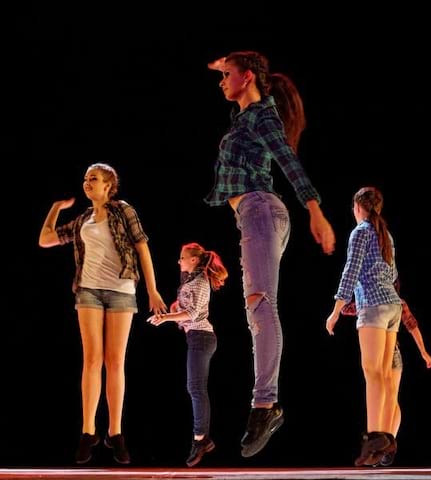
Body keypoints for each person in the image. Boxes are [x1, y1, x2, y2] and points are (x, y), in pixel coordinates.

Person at [205, 51, 336, 458]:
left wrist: (315, 210)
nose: (221, 81)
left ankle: (265, 404)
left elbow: (288, 161)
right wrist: (226, 64)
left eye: (228, 75)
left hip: (261, 211)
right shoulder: (246, 116)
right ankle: (265, 402)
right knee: (256, 307)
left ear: (247, 78)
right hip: (253, 215)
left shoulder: (262, 115)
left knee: (261, 306)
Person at [38, 163, 167, 465]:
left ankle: (116, 432)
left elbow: (142, 247)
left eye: (94, 179)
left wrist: (153, 289)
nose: (88, 183)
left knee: (115, 361)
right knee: (92, 359)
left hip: (122, 289)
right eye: (85, 179)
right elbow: (45, 239)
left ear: (109, 185)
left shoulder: (123, 210)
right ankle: (87, 431)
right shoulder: (83, 218)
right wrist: (56, 208)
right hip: (88, 290)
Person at [325, 186, 401, 467]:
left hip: (373, 306)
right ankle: (383, 437)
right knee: (381, 373)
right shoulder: (386, 234)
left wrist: (335, 311)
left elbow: (351, 270)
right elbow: (393, 273)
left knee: (372, 373)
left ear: (358, 207)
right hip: (392, 306)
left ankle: (372, 438)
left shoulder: (361, 232)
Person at [147, 242, 228, 467]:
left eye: (182, 257)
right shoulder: (191, 280)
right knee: (194, 388)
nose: (179, 261)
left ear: (193, 260)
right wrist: (173, 308)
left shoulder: (201, 281)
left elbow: (193, 314)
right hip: (195, 338)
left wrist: (164, 319)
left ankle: (200, 439)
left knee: (196, 388)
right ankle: (205, 439)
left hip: (202, 337)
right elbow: (186, 307)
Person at [341, 294, 431, 466]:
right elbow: (412, 326)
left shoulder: (377, 299)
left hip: (387, 355)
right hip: (394, 354)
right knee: (391, 399)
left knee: (387, 397)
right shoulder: (394, 301)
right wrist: (423, 351)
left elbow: (412, 326)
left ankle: (385, 440)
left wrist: (423, 351)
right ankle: (388, 441)